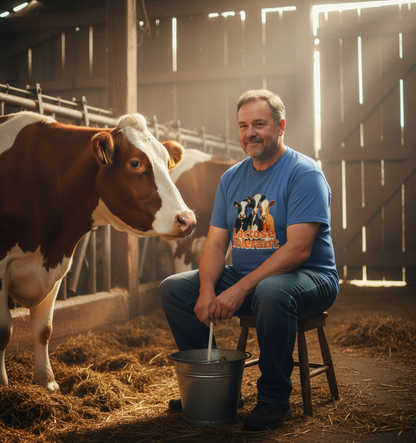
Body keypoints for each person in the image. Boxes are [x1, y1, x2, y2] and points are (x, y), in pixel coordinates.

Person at [158, 89, 339, 431]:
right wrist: (207, 289)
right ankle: (211, 385)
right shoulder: (232, 178)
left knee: (272, 291)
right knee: (173, 289)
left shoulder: (304, 174)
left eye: (259, 124)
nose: (249, 133)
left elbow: (299, 250)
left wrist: (239, 289)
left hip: (309, 278)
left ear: (281, 126)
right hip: (249, 277)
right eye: (243, 125)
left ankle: (273, 399)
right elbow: (214, 244)